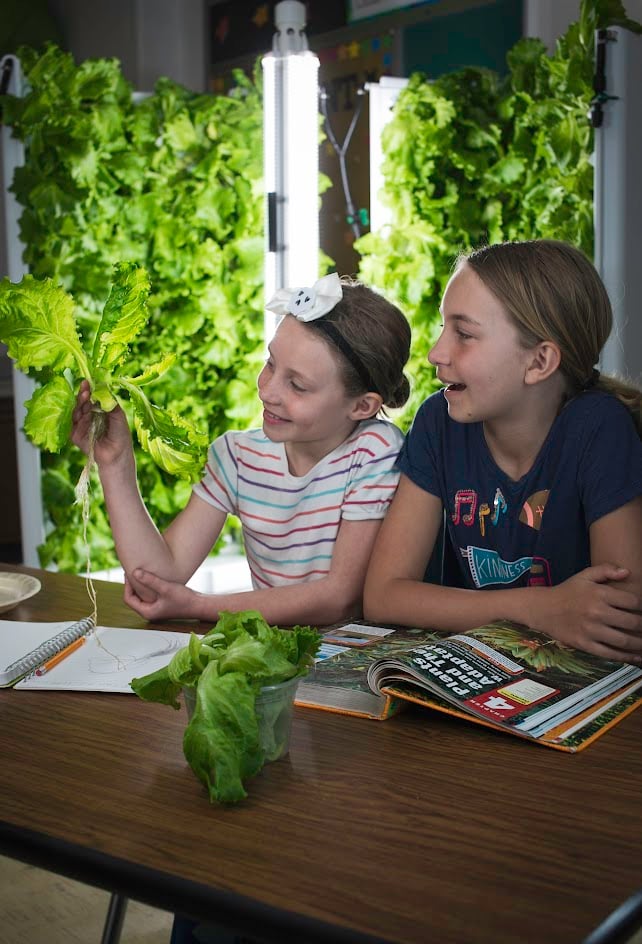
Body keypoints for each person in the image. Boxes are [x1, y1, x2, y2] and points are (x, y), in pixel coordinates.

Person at [72, 272, 411, 627]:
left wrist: (198, 606)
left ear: (361, 406)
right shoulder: (237, 457)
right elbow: (156, 580)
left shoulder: (374, 452)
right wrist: (115, 464)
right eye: (270, 364)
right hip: (275, 652)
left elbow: (339, 599)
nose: (267, 391)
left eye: (297, 385)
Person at [364, 239, 642, 663]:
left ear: (539, 362)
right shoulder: (438, 421)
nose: (436, 353)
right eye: (443, 328)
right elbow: (383, 596)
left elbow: (623, 617)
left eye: (464, 334)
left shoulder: (600, 428)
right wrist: (539, 608)